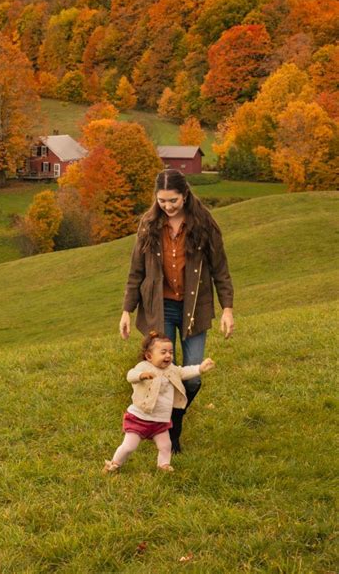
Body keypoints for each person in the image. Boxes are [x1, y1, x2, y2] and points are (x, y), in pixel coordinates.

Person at [119, 168, 233, 453]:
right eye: (162, 201)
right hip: (160, 308)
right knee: (162, 371)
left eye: (173, 200)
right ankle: (168, 437)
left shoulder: (204, 224)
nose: (167, 206)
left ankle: (171, 423)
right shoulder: (148, 226)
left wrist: (227, 309)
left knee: (191, 380)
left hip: (195, 308)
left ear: (185, 195)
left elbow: (220, 270)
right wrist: (126, 311)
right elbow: (136, 272)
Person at [103, 331, 215, 473]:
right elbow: (130, 375)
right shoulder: (144, 367)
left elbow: (184, 372)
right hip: (139, 418)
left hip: (160, 421)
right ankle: (114, 464)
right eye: (163, 352)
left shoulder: (171, 369)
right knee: (129, 446)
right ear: (149, 356)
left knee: (166, 446)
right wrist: (141, 376)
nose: (168, 355)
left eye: (170, 352)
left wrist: (200, 368)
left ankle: (163, 466)